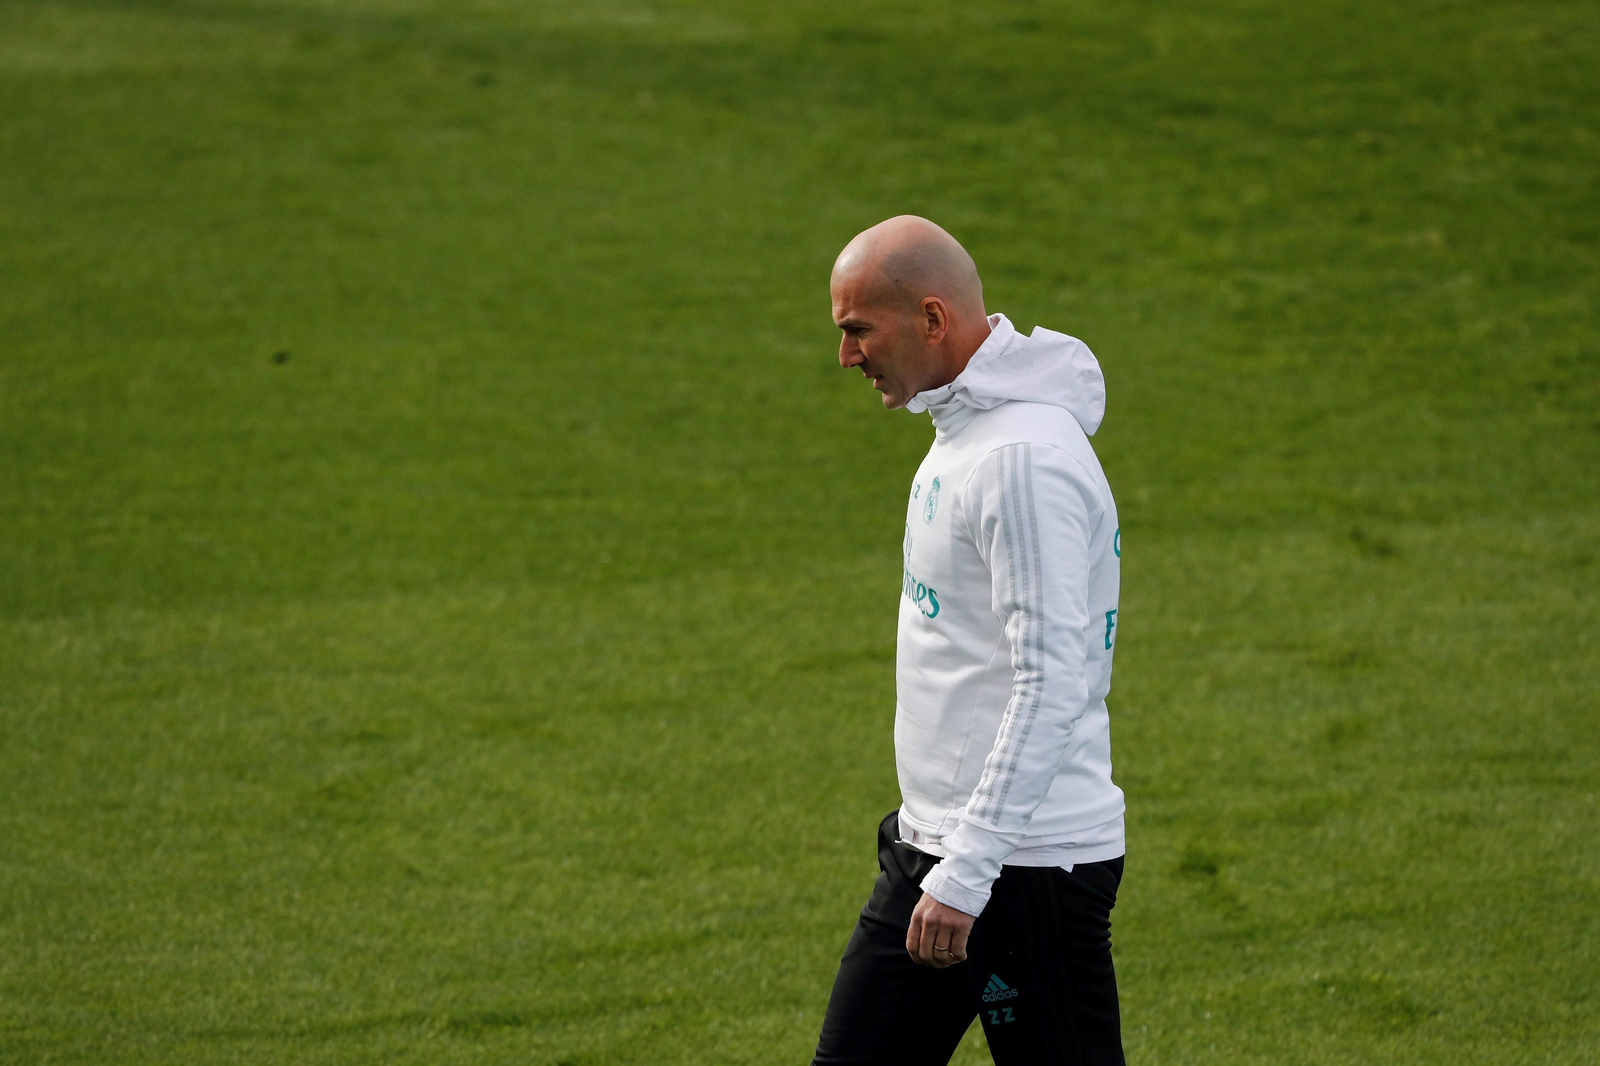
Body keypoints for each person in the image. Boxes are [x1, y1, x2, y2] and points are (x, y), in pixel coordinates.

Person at [812, 216, 1127, 1065]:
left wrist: (967, 872)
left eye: (856, 329)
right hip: (942, 853)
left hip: (1019, 872)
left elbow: (1051, 679)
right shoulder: (967, 435)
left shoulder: (1020, 460)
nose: (846, 356)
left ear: (932, 319)